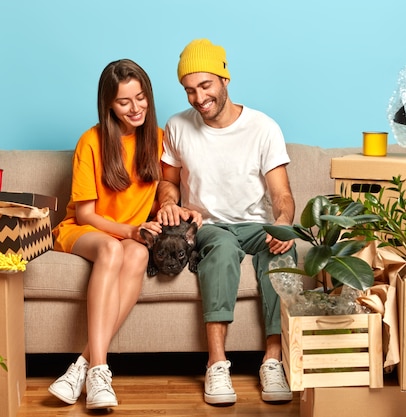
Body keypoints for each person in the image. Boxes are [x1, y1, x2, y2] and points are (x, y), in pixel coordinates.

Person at [156, 38, 296, 406]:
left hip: (255, 223)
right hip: (207, 225)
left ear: (224, 79)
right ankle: (217, 364)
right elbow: (167, 182)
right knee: (220, 249)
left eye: (205, 86)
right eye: (189, 90)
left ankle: (272, 361)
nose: (198, 98)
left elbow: (281, 194)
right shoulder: (177, 126)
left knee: (280, 254)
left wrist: (282, 224)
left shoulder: (263, 127)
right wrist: (169, 204)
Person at [48, 59, 163, 410]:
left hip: (130, 237)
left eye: (140, 97)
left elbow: (169, 191)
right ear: (109, 105)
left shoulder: (159, 142)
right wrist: (130, 229)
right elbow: (85, 213)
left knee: (139, 254)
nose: (135, 108)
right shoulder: (92, 141)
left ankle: (80, 369)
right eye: (124, 102)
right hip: (84, 230)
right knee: (114, 251)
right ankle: (100, 368)